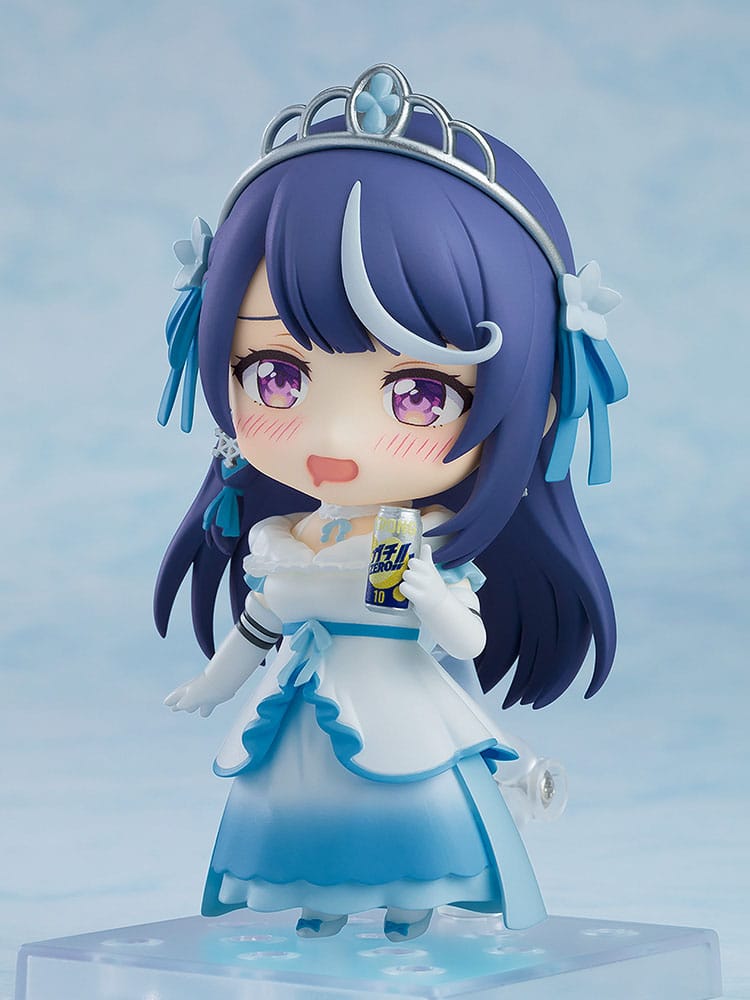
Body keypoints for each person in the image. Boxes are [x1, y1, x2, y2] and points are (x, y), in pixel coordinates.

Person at [154, 64, 627, 941]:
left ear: (532, 404)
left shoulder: (417, 541)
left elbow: (465, 640)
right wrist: (213, 683)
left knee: (413, 814)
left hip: (399, 706)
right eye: (277, 375)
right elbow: (260, 624)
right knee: (298, 811)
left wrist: (428, 593)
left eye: (417, 393)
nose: (335, 437)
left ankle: (412, 906)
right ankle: (323, 910)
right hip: (301, 710)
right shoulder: (285, 539)